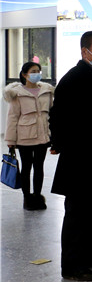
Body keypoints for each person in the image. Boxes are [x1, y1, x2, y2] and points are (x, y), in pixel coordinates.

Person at [50, 30, 92, 281]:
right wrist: (62, 145)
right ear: (84, 51)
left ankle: (91, 254)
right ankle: (72, 266)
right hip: (81, 160)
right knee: (78, 213)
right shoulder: (73, 79)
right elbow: (58, 117)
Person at [3, 62, 54, 211]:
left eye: (38, 71)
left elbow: (52, 114)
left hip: (43, 136)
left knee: (39, 167)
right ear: (25, 74)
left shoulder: (46, 91)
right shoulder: (17, 93)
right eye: (33, 71)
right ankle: (27, 198)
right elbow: (12, 117)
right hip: (24, 137)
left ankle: (37, 197)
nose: (37, 74)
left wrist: (54, 135)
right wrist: (10, 139)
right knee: (26, 167)